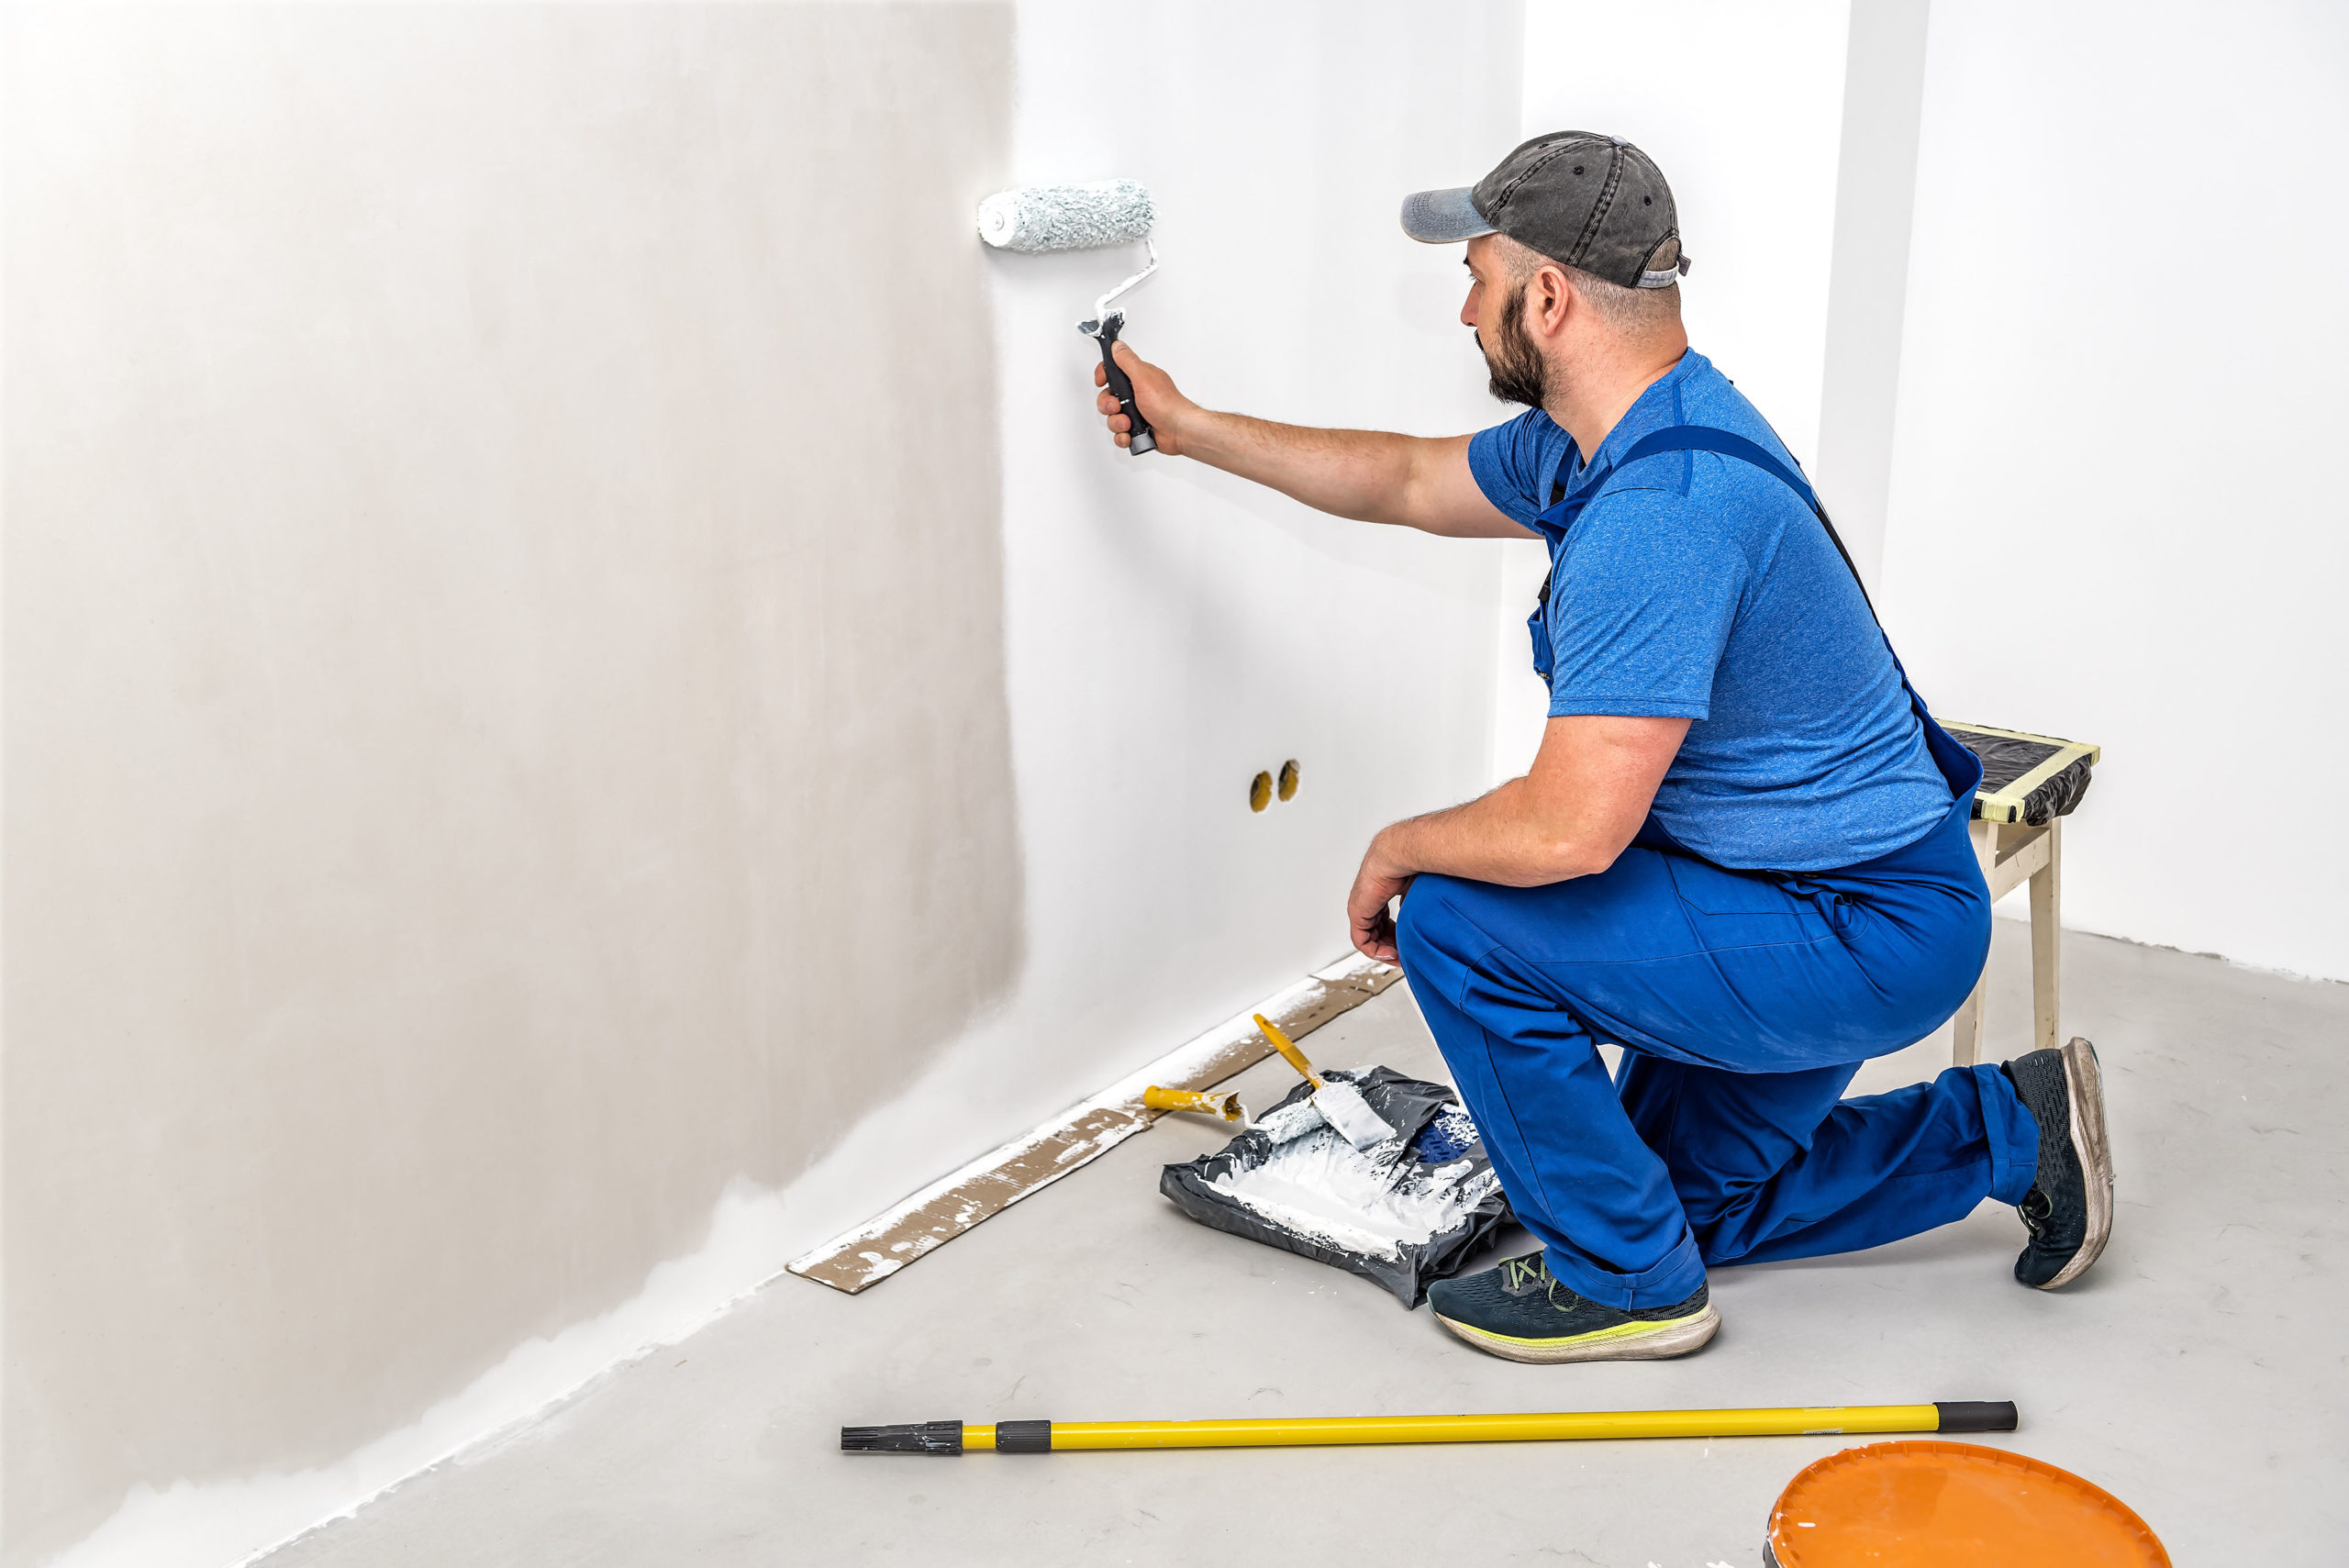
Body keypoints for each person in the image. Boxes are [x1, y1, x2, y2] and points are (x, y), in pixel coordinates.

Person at [1092, 132, 2114, 1363]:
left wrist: (1392, 847)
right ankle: (2011, 1126)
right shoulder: (1622, 435)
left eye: (1476, 278)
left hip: (1855, 925)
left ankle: (1629, 1288)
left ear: (1549, 297)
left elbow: (1572, 832)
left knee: (1457, 918)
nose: (1466, 311)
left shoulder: (1656, 518)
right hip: (1806, 888)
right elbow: (1411, 479)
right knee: (1674, 1201)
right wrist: (1188, 425)